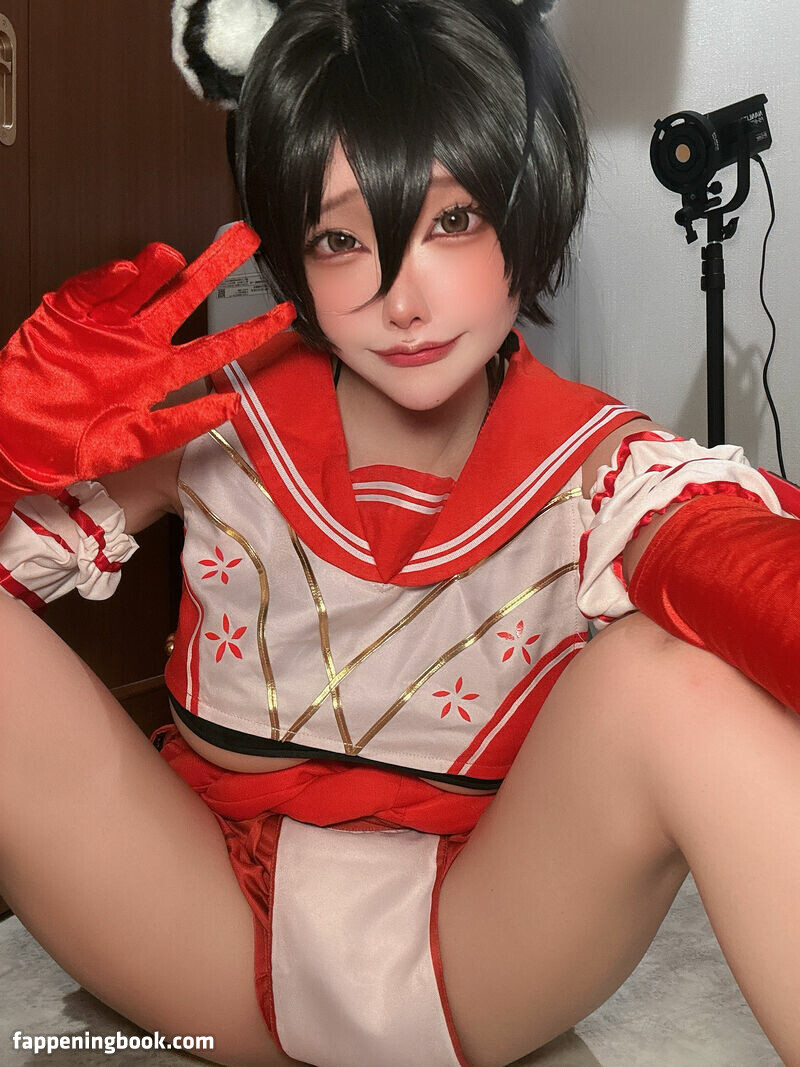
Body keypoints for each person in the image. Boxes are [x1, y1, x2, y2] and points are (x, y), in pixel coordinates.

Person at [1, 1, 799, 1065]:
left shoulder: (600, 465)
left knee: (684, 678)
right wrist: (6, 445)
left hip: (478, 951)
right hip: (202, 926)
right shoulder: (216, 420)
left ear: (527, 205)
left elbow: (736, 569)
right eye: (341, 239)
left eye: (452, 222)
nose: (400, 300)